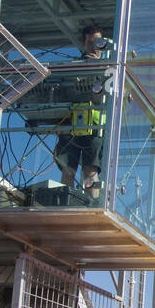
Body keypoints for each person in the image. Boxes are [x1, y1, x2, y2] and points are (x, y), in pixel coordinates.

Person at [54, 24, 110, 200]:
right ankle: (65, 204)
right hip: (70, 124)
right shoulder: (73, 67)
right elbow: (62, 93)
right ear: (84, 43)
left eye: (98, 42)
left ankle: (92, 205)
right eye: (90, 42)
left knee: (90, 170)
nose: (94, 47)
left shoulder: (109, 68)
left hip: (95, 126)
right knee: (67, 169)